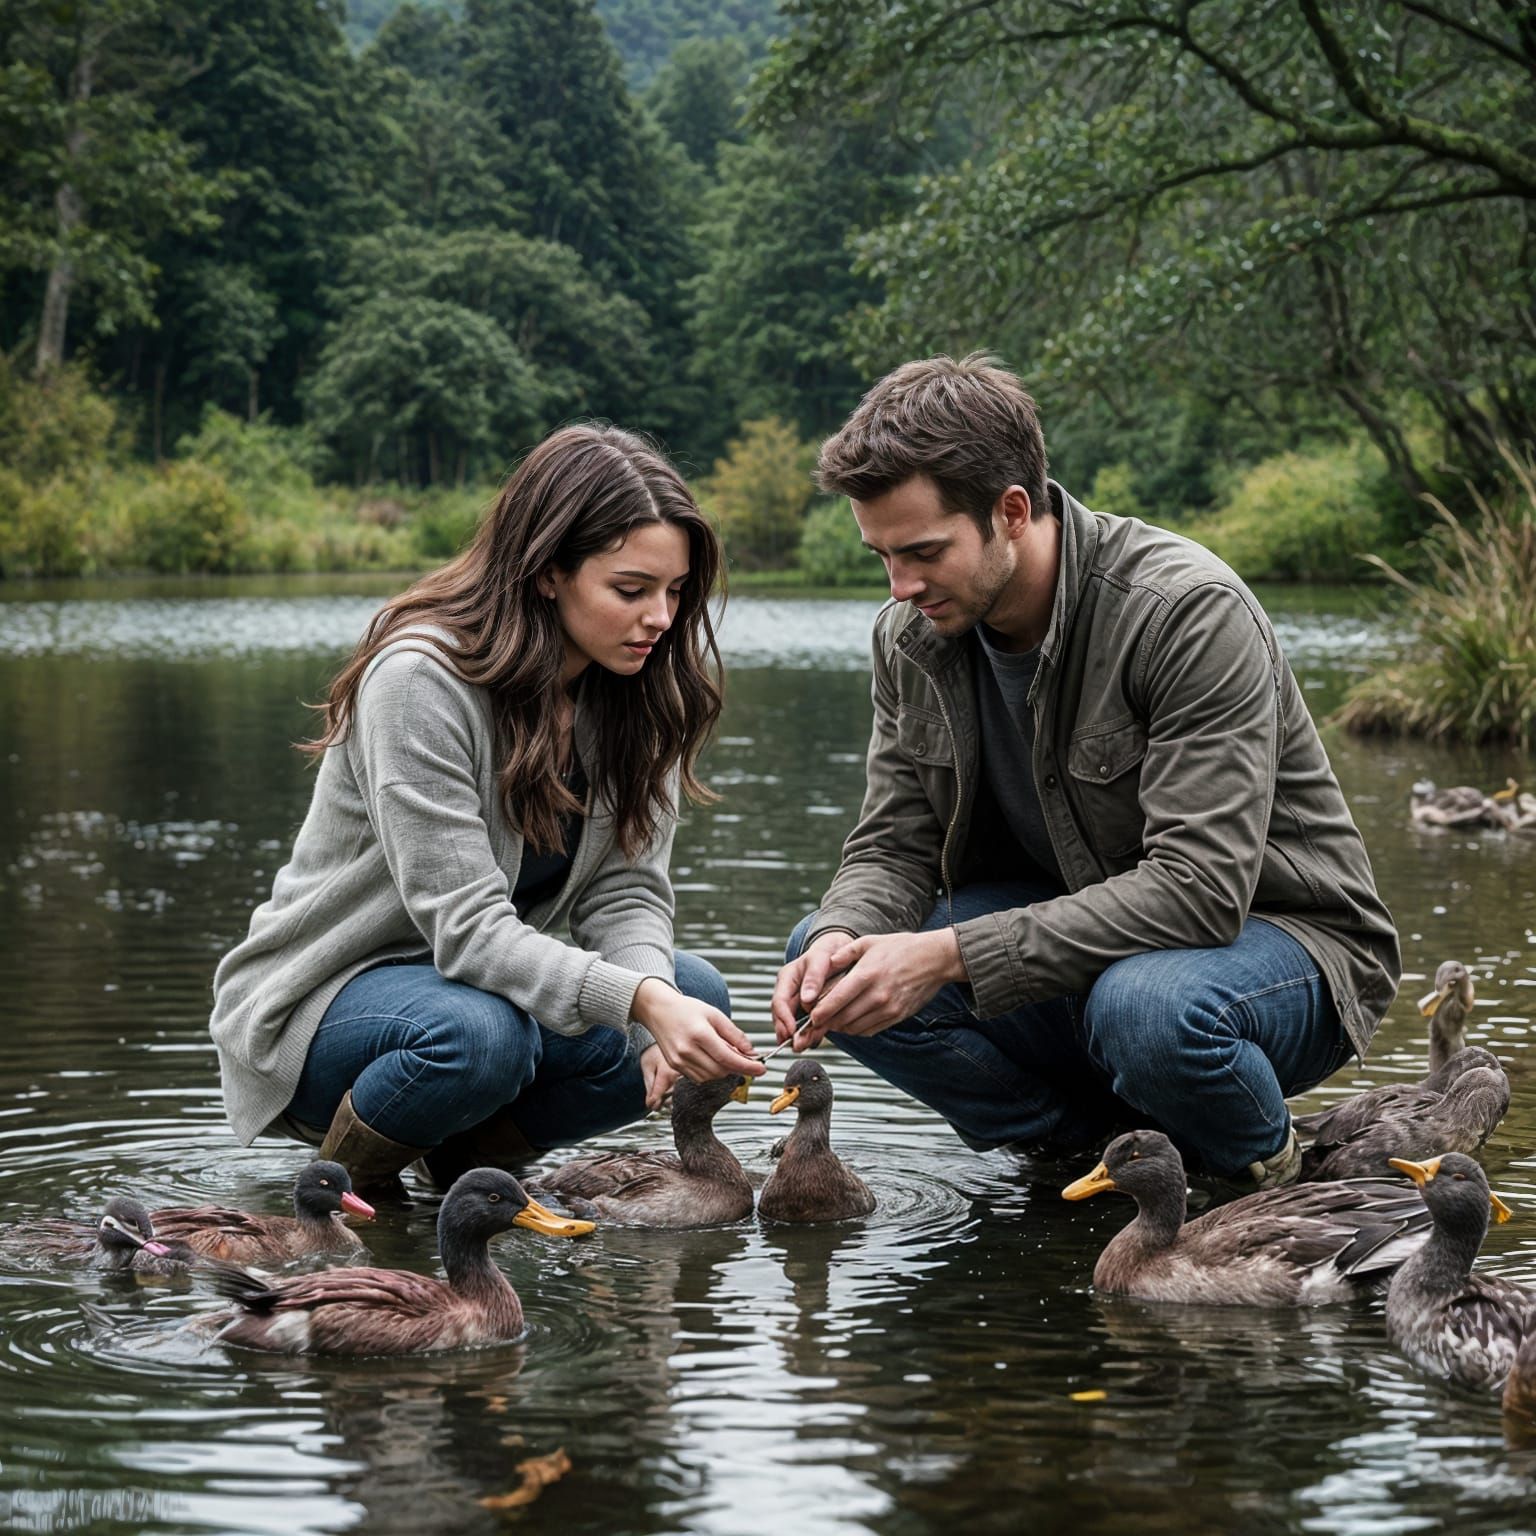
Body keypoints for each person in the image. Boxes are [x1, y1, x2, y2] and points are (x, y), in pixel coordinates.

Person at [772, 355, 1399, 1190]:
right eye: (881, 554)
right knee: (836, 972)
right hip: (1081, 952)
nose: (900, 585)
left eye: (923, 551)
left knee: (1146, 1011)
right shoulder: (908, 636)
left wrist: (949, 954)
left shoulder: (1184, 612)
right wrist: (835, 938)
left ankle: (1266, 1169)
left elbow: (1200, 890)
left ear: (1012, 511)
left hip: (1280, 945)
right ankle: (1084, 1158)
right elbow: (893, 844)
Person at [211, 424, 764, 1196]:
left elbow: (627, 891)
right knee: (480, 1036)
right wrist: (637, 998)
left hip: (473, 992)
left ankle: (467, 1172)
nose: (662, 619)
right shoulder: (418, 681)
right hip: (327, 1007)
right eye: (631, 591)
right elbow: (467, 930)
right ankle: (341, 1200)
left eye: (676, 592)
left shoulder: (638, 691)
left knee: (693, 993)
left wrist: (654, 1007)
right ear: (547, 573)